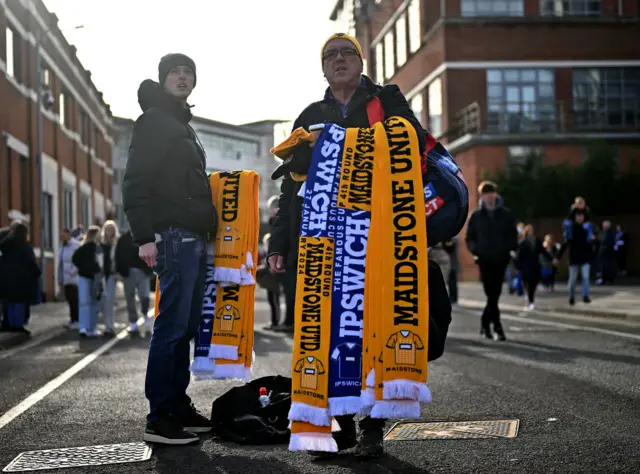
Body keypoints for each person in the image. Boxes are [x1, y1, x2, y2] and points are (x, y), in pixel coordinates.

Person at [268, 33, 427, 457]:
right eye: (330, 56)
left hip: (377, 240)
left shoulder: (386, 100)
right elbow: (289, 190)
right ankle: (347, 424)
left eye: (346, 53)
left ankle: (374, 428)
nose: (338, 60)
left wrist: (340, 149)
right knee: (335, 332)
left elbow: (409, 142)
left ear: (361, 62)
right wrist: (278, 241)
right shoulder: (311, 114)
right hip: (324, 241)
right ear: (322, 69)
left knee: (376, 330)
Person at [122, 53, 217, 445]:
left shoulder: (179, 124)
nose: (182, 77)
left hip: (192, 236)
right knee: (172, 326)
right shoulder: (154, 122)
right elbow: (135, 180)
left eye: (187, 72)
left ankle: (177, 404)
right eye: (175, 72)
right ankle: (160, 416)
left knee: (186, 326)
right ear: (163, 80)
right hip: (173, 236)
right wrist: (144, 236)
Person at [465, 181, 518, 341]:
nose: (488, 196)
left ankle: (485, 322)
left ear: (495, 194)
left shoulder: (506, 215)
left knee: (495, 294)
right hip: (484, 260)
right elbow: (469, 238)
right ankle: (497, 327)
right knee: (491, 293)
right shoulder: (476, 216)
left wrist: (509, 249)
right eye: (485, 193)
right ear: (481, 196)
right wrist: (476, 251)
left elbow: (513, 235)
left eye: (491, 193)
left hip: (501, 259)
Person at [0, 222, 40, 334]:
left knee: (9, 301)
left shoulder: (5, 244)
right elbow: (30, 262)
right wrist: (37, 273)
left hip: (6, 277)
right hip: (22, 279)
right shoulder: (24, 245)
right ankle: (17, 325)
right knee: (19, 302)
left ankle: (7, 323)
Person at [115, 229, 153, 335]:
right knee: (130, 297)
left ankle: (146, 316)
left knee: (144, 296)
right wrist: (120, 271)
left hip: (143, 272)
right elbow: (118, 255)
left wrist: (151, 269)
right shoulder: (123, 239)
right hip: (128, 272)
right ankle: (133, 322)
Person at [557, 210, 594, 305]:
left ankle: (585, 296)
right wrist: (558, 257)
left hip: (585, 257)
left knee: (586, 277)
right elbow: (565, 243)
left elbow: (591, 243)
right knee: (572, 280)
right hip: (574, 257)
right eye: (578, 216)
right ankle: (571, 297)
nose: (580, 218)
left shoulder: (587, 228)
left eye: (581, 216)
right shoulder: (571, 229)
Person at [72, 226, 104, 338]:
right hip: (86, 277)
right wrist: (85, 268)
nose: (100, 236)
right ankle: (86, 327)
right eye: (99, 234)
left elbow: (102, 263)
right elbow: (75, 259)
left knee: (91, 303)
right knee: (88, 302)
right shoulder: (86, 247)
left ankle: (89, 327)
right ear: (94, 235)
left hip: (93, 278)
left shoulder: (98, 248)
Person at [515, 225, 544, 310]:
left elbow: (543, 251)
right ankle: (530, 300)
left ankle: (530, 298)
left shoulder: (537, 241)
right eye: (529, 231)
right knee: (527, 284)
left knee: (534, 284)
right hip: (526, 267)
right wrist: (519, 266)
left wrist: (553, 259)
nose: (531, 232)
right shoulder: (523, 243)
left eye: (532, 230)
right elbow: (518, 256)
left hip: (535, 266)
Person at [59, 228, 81, 329]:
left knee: (74, 299)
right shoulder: (62, 246)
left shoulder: (75, 245)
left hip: (74, 278)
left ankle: (77, 320)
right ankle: (72, 319)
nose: (62, 237)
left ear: (69, 234)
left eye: (64, 235)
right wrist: (60, 279)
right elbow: (61, 263)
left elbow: (79, 260)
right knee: (69, 299)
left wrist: (73, 271)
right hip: (66, 278)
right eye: (61, 235)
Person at [100, 220, 119, 337]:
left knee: (110, 301)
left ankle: (109, 327)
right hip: (102, 275)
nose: (109, 231)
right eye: (107, 229)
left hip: (111, 275)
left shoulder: (117, 244)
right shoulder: (100, 244)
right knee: (102, 302)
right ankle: (107, 325)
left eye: (111, 229)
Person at [597, 220, 616, 285]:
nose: (604, 227)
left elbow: (610, 242)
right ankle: (604, 279)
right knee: (603, 266)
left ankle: (610, 279)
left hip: (608, 252)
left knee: (608, 266)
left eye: (605, 226)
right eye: (603, 226)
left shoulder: (611, 234)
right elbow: (599, 241)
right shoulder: (602, 233)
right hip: (603, 252)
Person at [442, 237, 459, 304]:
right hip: (448, 262)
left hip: (452, 263)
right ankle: (451, 298)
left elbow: (449, 246)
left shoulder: (452, 237)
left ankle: (453, 298)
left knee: (452, 281)